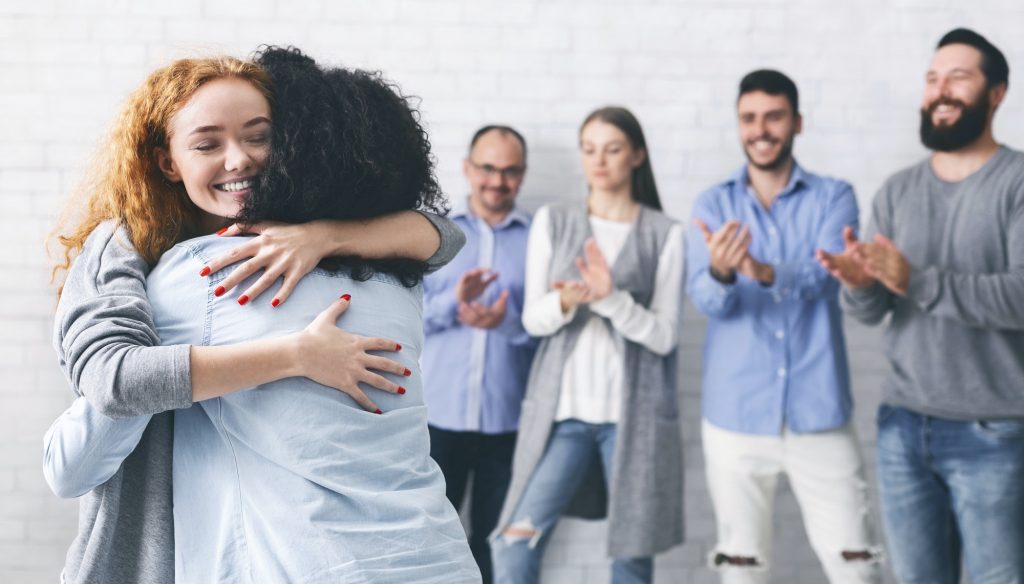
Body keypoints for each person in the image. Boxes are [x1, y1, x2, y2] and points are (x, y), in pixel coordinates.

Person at [44, 50, 467, 584]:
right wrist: (295, 355)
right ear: (166, 161)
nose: (239, 158)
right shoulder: (138, 253)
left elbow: (444, 236)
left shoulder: (289, 241)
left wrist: (323, 237)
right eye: (207, 143)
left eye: (258, 136)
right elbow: (110, 383)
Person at [818, 28, 1024, 583]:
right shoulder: (896, 191)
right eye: (932, 79)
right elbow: (873, 313)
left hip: (996, 432)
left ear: (997, 93)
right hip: (903, 428)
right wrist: (860, 284)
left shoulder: (1018, 183)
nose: (941, 90)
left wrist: (918, 280)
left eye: (959, 77)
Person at [687, 69, 881, 584]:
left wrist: (764, 271)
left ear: (796, 122)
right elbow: (706, 300)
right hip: (736, 420)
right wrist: (724, 272)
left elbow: (828, 274)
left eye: (774, 116)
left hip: (819, 413)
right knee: (742, 572)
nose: (761, 129)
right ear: (738, 124)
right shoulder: (711, 204)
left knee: (858, 567)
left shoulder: (834, 196)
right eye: (749, 118)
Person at [491, 107, 685, 584]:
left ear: (637, 155)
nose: (599, 160)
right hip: (566, 418)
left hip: (635, 421)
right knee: (514, 540)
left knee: (632, 556)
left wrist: (611, 299)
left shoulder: (666, 233)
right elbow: (533, 321)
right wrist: (565, 301)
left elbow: (664, 337)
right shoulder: (555, 222)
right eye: (590, 149)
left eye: (613, 149)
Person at [422, 125, 536, 584]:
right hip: (437, 417)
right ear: (468, 169)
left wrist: (506, 323)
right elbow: (405, 317)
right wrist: (455, 306)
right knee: (433, 539)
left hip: (507, 423)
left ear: (522, 175)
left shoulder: (537, 238)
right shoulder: (433, 235)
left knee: (495, 542)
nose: (497, 181)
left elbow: (547, 331)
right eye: (487, 168)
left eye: (510, 172)